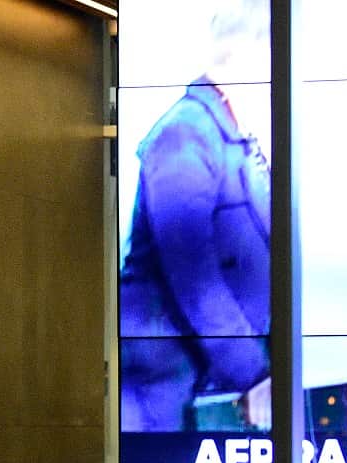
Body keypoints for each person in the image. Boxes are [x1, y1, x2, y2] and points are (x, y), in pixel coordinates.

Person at [118, 0, 271, 432]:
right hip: (164, 389)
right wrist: (253, 373)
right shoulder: (185, 134)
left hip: (204, 382)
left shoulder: (231, 136)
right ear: (245, 57)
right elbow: (192, 273)